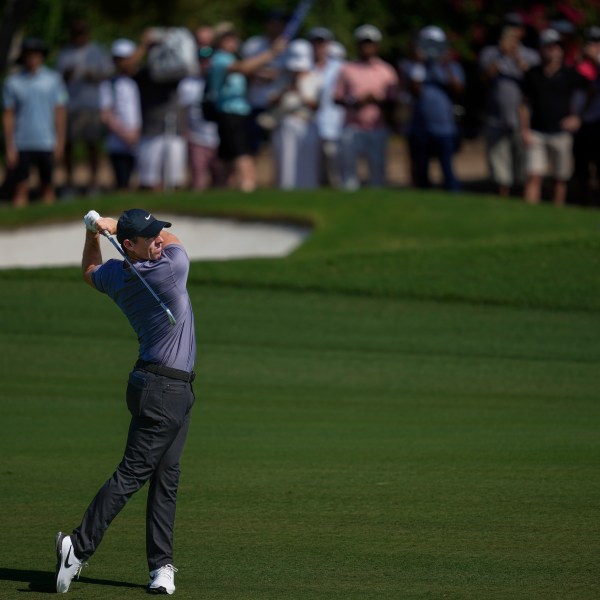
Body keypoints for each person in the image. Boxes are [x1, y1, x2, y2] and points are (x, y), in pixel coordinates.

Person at [55, 208, 196, 595]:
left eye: (156, 234)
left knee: (166, 477)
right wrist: (112, 224)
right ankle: (78, 547)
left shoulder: (118, 275)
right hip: (165, 391)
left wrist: (92, 234)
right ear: (129, 245)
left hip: (159, 385)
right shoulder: (170, 270)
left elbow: (89, 272)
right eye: (148, 237)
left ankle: (161, 567)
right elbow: (176, 242)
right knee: (134, 472)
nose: (157, 239)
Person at [207, 23, 287, 191]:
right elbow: (243, 68)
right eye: (228, 39)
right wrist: (272, 52)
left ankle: (221, 187)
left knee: (227, 155)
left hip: (235, 112)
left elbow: (253, 72)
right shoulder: (220, 58)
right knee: (242, 151)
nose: (233, 42)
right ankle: (247, 184)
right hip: (230, 112)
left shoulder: (231, 59)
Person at [520, 28, 587, 205]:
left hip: (561, 132)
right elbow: (524, 104)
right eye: (549, 46)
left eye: (556, 46)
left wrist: (578, 117)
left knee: (560, 178)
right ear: (541, 49)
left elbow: (590, 92)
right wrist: (524, 129)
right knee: (534, 175)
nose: (553, 50)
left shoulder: (570, 74)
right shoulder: (532, 74)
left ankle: (556, 214)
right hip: (536, 132)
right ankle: (529, 215)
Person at [2, 37, 68, 207]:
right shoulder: (13, 82)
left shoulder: (53, 79)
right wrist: (9, 146)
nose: (32, 58)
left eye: (35, 54)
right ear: (23, 56)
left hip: (46, 141)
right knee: (20, 187)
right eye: (29, 54)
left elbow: (60, 112)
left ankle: (52, 226)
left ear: (41, 56)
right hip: (22, 141)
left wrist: (60, 141)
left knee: (47, 186)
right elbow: (8, 115)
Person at [334, 24, 399, 190]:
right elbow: (337, 98)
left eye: (370, 43)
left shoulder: (386, 70)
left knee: (377, 172)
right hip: (352, 127)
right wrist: (356, 101)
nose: (367, 47)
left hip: (377, 128)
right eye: (363, 43)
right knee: (348, 174)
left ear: (377, 45)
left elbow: (394, 101)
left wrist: (377, 100)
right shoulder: (347, 69)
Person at [479, 22, 540, 196]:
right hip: (495, 118)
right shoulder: (490, 53)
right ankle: (502, 198)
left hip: (522, 120)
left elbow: (534, 81)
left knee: (523, 164)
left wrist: (516, 58)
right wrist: (500, 57)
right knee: (499, 164)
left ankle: (521, 199)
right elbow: (483, 80)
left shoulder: (530, 54)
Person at [55, 20, 112, 196]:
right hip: (70, 105)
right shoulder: (65, 53)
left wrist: (93, 75)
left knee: (92, 144)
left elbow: (108, 71)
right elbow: (56, 77)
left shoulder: (97, 50)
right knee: (69, 146)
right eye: (76, 33)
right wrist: (66, 75)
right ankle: (69, 183)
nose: (79, 36)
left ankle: (93, 182)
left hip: (91, 105)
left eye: (82, 33)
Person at [405, 25, 465, 192]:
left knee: (447, 169)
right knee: (421, 172)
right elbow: (414, 89)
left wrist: (444, 64)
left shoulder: (451, 66)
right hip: (420, 129)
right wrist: (419, 63)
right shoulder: (414, 66)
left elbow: (458, 89)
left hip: (445, 128)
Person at [270, 38, 322, 189]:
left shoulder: (316, 78)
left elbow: (317, 105)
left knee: (307, 163)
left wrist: (301, 92)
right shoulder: (283, 78)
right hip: (286, 122)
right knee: (286, 163)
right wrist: (285, 90)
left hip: (306, 122)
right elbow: (271, 101)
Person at [177, 39, 221, 190]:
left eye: (208, 61)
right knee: (198, 177)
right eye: (202, 61)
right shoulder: (188, 84)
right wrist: (184, 132)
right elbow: (182, 110)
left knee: (221, 176)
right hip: (197, 136)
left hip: (220, 135)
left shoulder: (221, 81)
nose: (206, 64)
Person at [98, 39, 142, 190]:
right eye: (119, 59)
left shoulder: (139, 81)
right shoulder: (109, 84)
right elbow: (106, 114)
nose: (122, 63)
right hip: (118, 142)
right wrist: (126, 134)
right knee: (123, 182)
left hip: (141, 140)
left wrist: (137, 133)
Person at [310, 29, 347, 187]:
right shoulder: (304, 66)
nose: (319, 47)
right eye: (316, 43)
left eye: (322, 43)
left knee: (334, 166)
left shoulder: (340, 67)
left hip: (334, 123)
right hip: (309, 124)